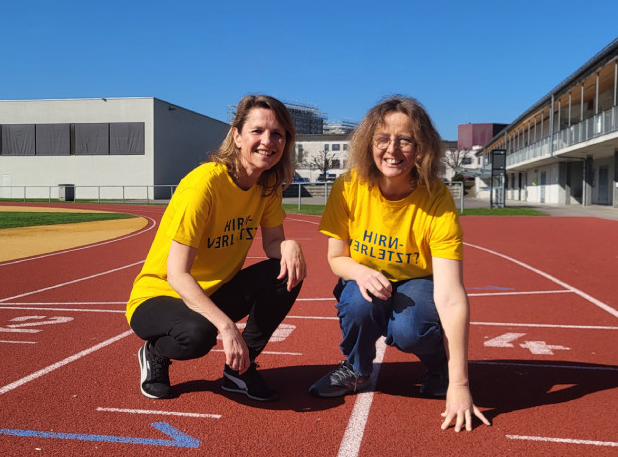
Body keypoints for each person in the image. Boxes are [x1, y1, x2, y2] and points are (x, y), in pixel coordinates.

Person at [309, 96, 490, 432]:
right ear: (368, 143)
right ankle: (357, 368)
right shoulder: (348, 186)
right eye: (383, 139)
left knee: (410, 328)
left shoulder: (436, 199)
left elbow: (451, 295)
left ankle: (440, 368)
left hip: (418, 281)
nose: (393, 149)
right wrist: (361, 272)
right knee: (356, 302)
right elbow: (336, 258)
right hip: (364, 276)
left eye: (405, 139)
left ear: (421, 147)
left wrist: (460, 384)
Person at [127, 95, 306, 402]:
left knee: (286, 270)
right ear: (237, 136)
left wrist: (290, 246)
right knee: (197, 336)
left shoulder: (267, 185)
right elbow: (177, 274)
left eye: (278, 133)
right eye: (258, 131)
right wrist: (226, 327)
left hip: (214, 290)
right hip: (160, 294)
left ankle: (239, 369)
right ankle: (155, 353)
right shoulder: (204, 186)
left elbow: (273, 244)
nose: (268, 141)